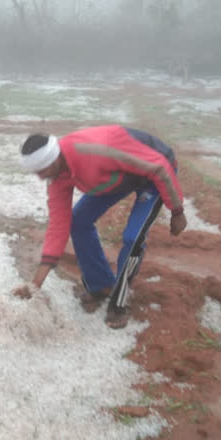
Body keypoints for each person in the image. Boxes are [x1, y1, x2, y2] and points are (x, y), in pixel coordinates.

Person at [12, 124, 188, 328]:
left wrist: (177, 211)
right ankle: (101, 285)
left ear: (55, 158)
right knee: (78, 222)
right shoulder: (57, 176)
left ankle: (120, 301)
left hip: (155, 172)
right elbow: (58, 226)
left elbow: (158, 166)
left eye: (42, 171)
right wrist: (35, 284)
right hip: (118, 177)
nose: (41, 177)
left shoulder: (97, 150)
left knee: (133, 237)